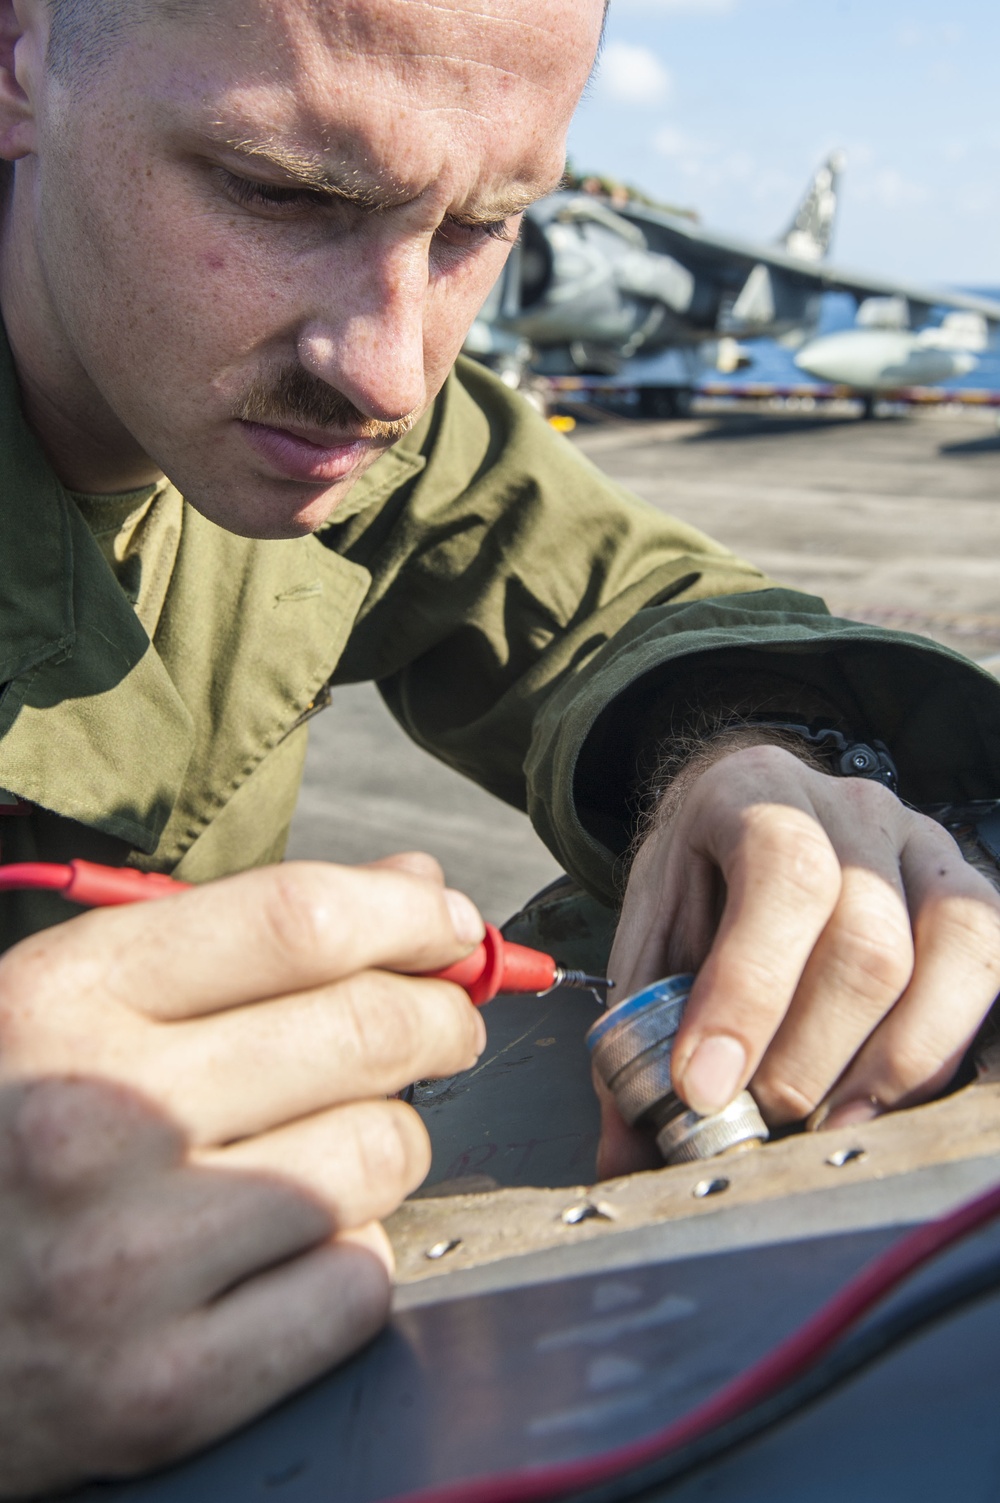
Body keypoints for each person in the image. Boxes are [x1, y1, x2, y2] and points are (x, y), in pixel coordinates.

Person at [1, 0, 999, 1492]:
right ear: (20, 59)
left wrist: (744, 758)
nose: (392, 371)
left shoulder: (311, 403)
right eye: (283, 192)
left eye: (482, 228)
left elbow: (610, 590)